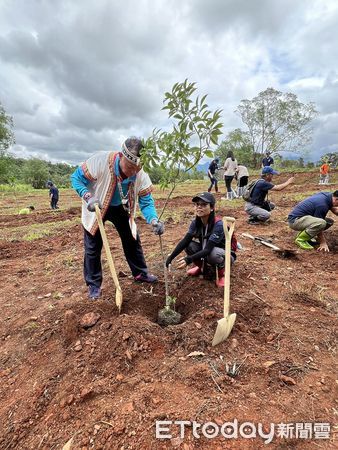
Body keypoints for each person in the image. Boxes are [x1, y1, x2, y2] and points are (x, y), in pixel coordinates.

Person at [70, 137, 164, 299]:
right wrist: (87, 196)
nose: (132, 173)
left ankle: (140, 273)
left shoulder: (140, 173)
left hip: (122, 207)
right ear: (121, 156)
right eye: (129, 167)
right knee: (93, 245)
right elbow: (76, 178)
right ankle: (93, 285)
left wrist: (153, 220)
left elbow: (146, 201)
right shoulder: (100, 161)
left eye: (137, 168)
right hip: (97, 206)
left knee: (132, 240)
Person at [165, 192, 237, 288]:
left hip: (225, 255)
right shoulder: (196, 223)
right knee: (189, 245)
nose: (199, 207)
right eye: (197, 204)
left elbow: (207, 250)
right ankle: (201, 267)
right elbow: (185, 241)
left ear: (211, 208)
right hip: (208, 250)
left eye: (204, 205)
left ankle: (221, 275)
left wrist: (189, 259)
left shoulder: (219, 225)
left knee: (212, 253)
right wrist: (171, 257)